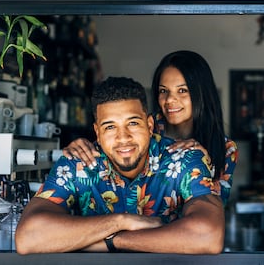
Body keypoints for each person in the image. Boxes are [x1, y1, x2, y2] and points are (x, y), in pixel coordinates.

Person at [15, 77, 224, 254]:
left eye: (133, 123)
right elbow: (29, 237)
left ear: (150, 125)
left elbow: (208, 236)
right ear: (97, 132)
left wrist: (112, 240)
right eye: (110, 127)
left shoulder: (184, 159)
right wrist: (121, 222)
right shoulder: (79, 164)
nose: (123, 137)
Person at [63, 50, 238, 205]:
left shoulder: (225, 149)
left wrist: (201, 161)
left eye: (182, 91)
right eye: (163, 91)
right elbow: (109, 148)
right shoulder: (142, 127)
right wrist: (82, 147)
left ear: (202, 92)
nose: (170, 100)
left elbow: (215, 209)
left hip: (184, 237)